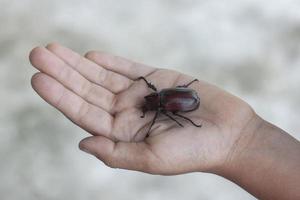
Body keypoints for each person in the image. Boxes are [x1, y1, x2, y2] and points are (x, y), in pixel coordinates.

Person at [29, 43, 300, 200]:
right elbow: (166, 100)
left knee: (173, 110)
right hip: (187, 97)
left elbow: (167, 106)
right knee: (173, 109)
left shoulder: (162, 103)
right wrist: (246, 140)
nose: (146, 105)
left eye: (149, 104)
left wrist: (243, 142)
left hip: (187, 99)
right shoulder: (159, 100)